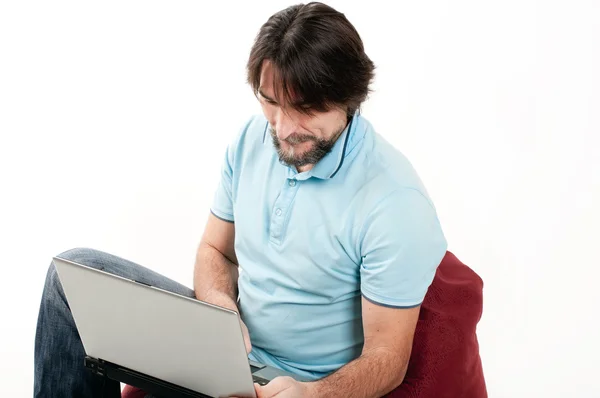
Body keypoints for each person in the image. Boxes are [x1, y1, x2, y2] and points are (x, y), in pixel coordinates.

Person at [34, 2, 448, 397]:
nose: (283, 129)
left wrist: (314, 394)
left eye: (304, 108)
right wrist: (217, 306)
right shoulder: (252, 139)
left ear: (349, 98)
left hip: (294, 384)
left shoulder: (395, 203)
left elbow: (388, 360)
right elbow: (216, 250)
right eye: (270, 102)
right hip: (224, 354)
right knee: (68, 280)